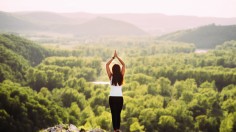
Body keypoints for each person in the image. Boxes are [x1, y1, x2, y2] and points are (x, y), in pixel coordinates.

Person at [106, 50, 125, 132]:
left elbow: (107, 65)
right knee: (118, 113)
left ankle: (115, 129)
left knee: (113, 113)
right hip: (120, 98)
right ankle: (118, 129)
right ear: (119, 69)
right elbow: (124, 65)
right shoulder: (121, 76)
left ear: (113, 70)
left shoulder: (111, 77)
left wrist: (113, 57)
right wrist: (117, 57)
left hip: (112, 98)